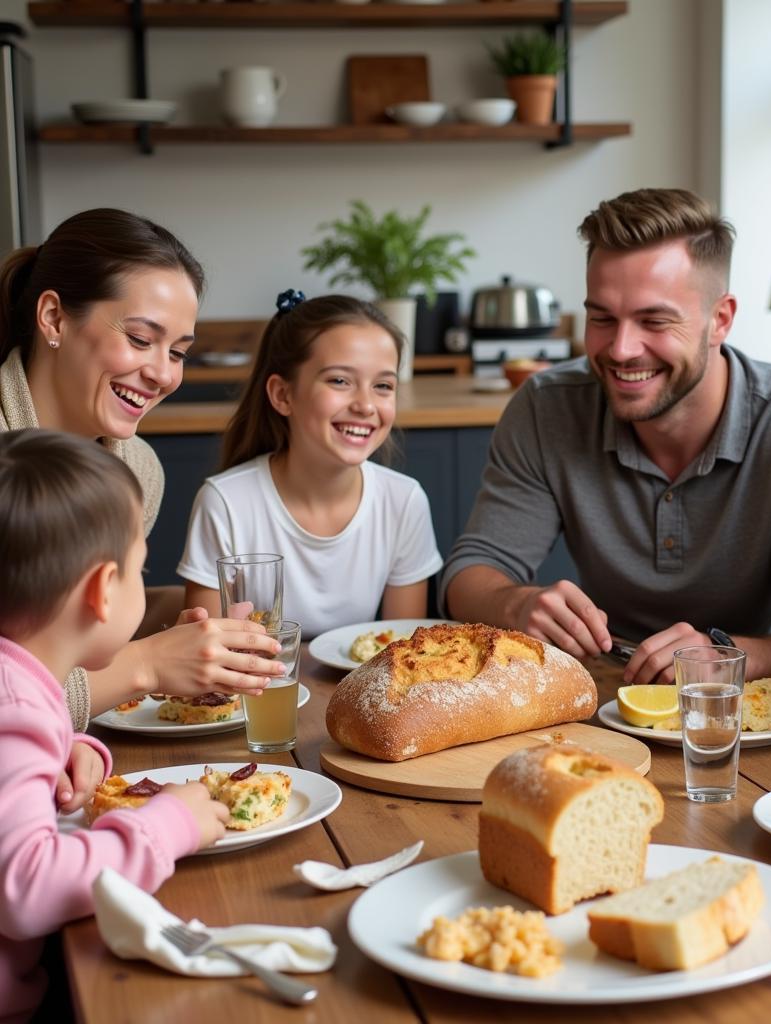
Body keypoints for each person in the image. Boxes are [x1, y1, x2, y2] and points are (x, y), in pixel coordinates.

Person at [442, 187, 771, 686]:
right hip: (596, 689)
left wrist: (721, 656)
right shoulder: (546, 407)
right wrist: (516, 602)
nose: (621, 349)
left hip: (741, 701)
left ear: (720, 319)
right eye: (601, 319)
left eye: (654, 320)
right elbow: (470, 574)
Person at [0, 208, 284, 734]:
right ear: (54, 318)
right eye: (139, 339)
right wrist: (149, 664)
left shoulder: (138, 470)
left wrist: (188, 622)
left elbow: (59, 617)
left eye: (178, 351)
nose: (161, 373)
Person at [0, 429, 229, 1023]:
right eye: (140, 569)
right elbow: (26, 891)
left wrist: (69, 750)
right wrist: (167, 826)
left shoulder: (19, 689)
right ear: (103, 591)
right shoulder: (15, 708)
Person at [178, 292, 442, 635]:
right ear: (283, 395)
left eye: (382, 385)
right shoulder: (225, 502)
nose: (365, 405)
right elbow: (209, 658)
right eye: (340, 381)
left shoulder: (404, 501)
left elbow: (406, 654)